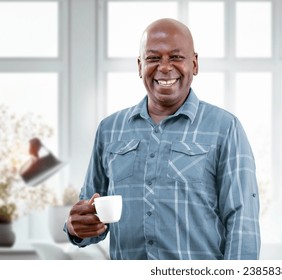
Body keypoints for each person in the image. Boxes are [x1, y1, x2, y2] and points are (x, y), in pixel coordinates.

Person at [64, 18, 261, 260]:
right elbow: (91, 219)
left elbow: (243, 221)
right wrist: (76, 228)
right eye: (153, 58)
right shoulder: (109, 130)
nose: (165, 67)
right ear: (139, 66)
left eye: (176, 57)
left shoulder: (225, 128)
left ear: (195, 64)